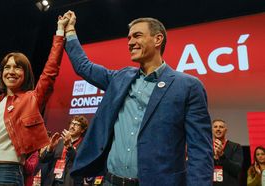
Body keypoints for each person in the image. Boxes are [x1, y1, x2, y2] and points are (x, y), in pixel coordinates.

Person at [62, 10, 213, 186]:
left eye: (137, 36)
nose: (131, 42)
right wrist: (70, 30)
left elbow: (200, 151)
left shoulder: (188, 86)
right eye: (129, 38)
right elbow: (84, 67)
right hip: (110, 182)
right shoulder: (120, 78)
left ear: (158, 39)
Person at [0, 16, 69, 185]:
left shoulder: (31, 99)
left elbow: (50, 71)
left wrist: (60, 31)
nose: (11, 71)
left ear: (26, 74)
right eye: (7, 67)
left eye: (18, 67)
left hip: (5, 174)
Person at [39, 115, 89, 186]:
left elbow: (80, 162)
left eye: (76, 124)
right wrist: (50, 148)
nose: (72, 126)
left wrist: (69, 147)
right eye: (72, 123)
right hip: (53, 181)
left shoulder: (85, 145)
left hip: (70, 182)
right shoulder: (60, 141)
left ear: (82, 130)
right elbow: (43, 160)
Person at [212, 119, 244, 186]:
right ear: (212, 130)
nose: (218, 129)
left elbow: (236, 170)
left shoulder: (236, 147)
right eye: (215, 127)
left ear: (226, 130)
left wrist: (222, 155)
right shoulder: (207, 147)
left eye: (221, 127)